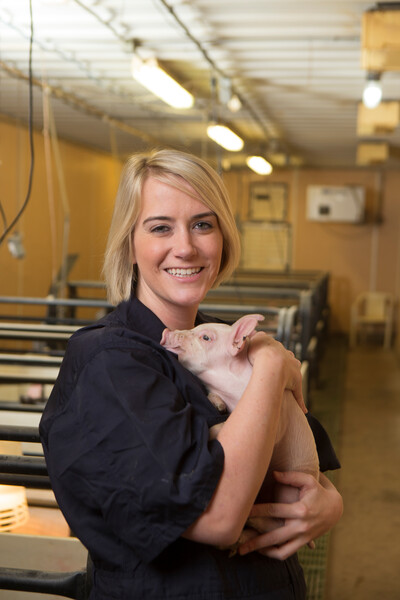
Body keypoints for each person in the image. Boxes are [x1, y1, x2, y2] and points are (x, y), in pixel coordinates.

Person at [40, 148, 343, 600]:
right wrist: (273, 366)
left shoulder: (219, 336)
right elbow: (219, 519)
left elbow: (295, 456)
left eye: (203, 224)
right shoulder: (110, 361)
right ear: (129, 242)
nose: (186, 246)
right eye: (160, 227)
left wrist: (330, 503)